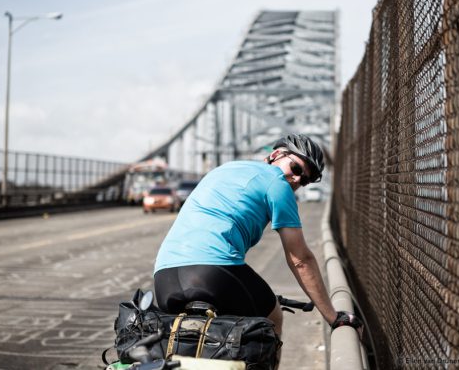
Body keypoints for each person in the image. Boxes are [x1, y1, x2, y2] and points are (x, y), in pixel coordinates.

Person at [153, 133, 362, 343]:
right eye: (296, 168)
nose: (297, 179)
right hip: (214, 272)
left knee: (180, 342)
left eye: (305, 180)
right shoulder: (277, 183)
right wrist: (333, 317)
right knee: (272, 319)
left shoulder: (225, 169)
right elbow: (300, 261)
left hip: (164, 277)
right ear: (276, 154)